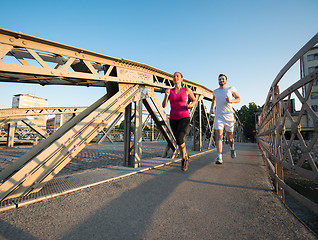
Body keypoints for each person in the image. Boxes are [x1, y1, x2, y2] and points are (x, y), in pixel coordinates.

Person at [162, 72, 197, 171]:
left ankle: (183, 159)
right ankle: (186, 157)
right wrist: (166, 96)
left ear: (181, 79)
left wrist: (190, 105)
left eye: (177, 76)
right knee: (178, 140)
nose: (175, 77)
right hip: (173, 118)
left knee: (180, 137)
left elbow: (195, 100)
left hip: (184, 117)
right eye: (174, 76)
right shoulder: (170, 91)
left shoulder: (186, 90)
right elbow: (164, 105)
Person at [211, 74, 240, 164]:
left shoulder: (231, 89)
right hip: (219, 116)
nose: (221, 80)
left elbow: (238, 98)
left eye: (223, 79)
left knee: (229, 137)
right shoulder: (215, 91)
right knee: (219, 135)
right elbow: (214, 100)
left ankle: (232, 148)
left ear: (226, 81)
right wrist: (212, 108)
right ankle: (219, 157)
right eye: (219, 79)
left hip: (229, 116)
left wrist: (231, 101)